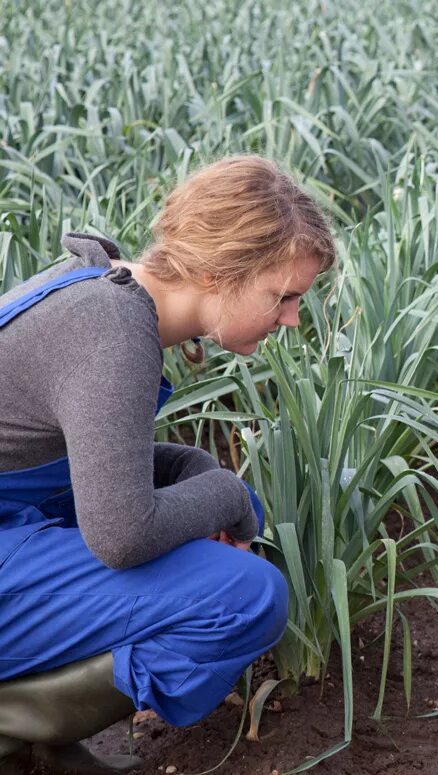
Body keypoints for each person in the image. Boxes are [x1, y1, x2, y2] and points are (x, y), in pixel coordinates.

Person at [0, 156, 334, 774]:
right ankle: (15, 732)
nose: (291, 319)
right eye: (282, 297)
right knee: (245, 594)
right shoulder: (112, 328)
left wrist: (188, 467)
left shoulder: (100, 287)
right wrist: (230, 496)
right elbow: (123, 534)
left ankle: (41, 738)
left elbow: (71, 458)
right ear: (217, 272)